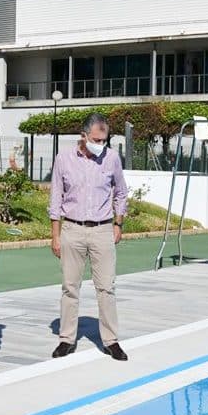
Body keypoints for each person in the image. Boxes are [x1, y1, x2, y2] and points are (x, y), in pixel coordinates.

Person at [48, 113, 129, 360]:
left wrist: (118, 223)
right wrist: (55, 235)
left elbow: (121, 193)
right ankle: (66, 339)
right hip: (72, 229)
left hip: (103, 229)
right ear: (83, 136)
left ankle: (111, 340)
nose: (101, 145)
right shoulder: (63, 159)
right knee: (70, 287)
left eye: (104, 140)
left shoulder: (112, 158)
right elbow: (55, 197)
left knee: (106, 287)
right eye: (96, 139)